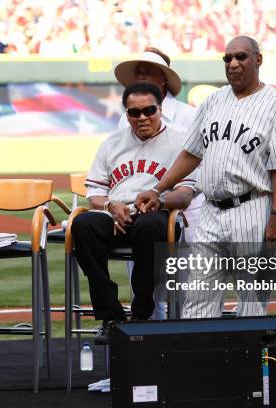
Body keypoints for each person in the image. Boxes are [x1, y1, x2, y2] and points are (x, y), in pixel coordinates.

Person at [136, 36, 276, 319]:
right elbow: (190, 154)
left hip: (252, 208)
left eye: (241, 57)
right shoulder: (213, 101)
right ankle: (202, 362)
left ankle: (254, 363)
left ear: (258, 60)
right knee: (198, 302)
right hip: (211, 211)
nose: (233, 64)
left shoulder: (275, 104)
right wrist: (158, 189)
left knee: (251, 303)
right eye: (227, 58)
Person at [71, 82, 198, 342]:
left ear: (161, 109)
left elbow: (186, 194)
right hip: (116, 217)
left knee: (148, 225)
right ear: (126, 114)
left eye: (149, 110)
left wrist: (160, 202)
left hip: (158, 216)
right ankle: (111, 315)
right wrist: (110, 206)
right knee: (83, 225)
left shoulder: (180, 143)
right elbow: (94, 191)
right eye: (134, 113)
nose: (142, 118)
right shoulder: (112, 143)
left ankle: (142, 313)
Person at [114, 47, 203, 320]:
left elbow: (199, 170)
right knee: (145, 290)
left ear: (164, 79)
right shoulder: (124, 118)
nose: (141, 76)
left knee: (185, 291)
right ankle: (148, 353)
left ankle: (186, 352)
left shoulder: (189, 116)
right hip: (139, 215)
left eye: (148, 71)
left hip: (187, 211)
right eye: (138, 72)